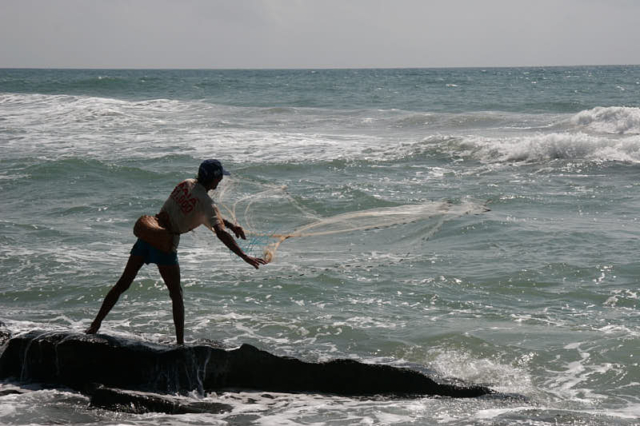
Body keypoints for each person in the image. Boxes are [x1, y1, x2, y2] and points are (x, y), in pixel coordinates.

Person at [85, 159, 266, 344]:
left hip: (149, 234)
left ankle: (95, 325)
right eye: (219, 178)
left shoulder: (186, 183)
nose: (220, 182)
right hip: (164, 244)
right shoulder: (207, 202)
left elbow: (203, 215)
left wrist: (231, 226)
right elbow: (218, 230)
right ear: (214, 178)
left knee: (123, 283)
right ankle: (180, 344)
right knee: (176, 293)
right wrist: (243, 255)